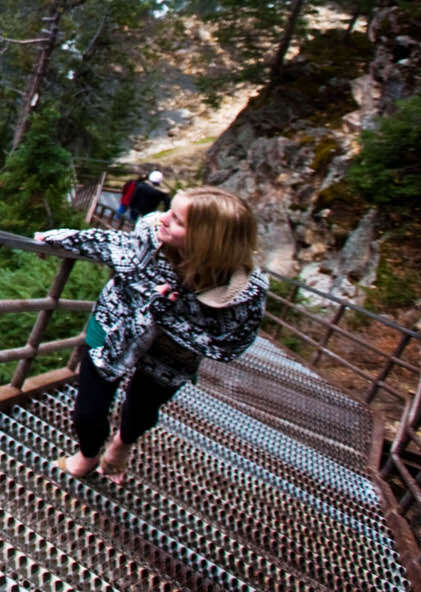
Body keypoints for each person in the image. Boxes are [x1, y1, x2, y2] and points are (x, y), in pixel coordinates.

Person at [34, 187, 266, 482]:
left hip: (172, 356)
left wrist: (168, 315)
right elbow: (114, 244)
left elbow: (231, 345)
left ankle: (121, 445)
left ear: (207, 239)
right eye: (170, 210)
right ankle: (88, 454)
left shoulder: (243, 293)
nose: (163, 218)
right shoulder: (150, 234)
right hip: (116, 325)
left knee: (142, 411)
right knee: (87, 411)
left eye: (178, 220)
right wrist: (59, 238)